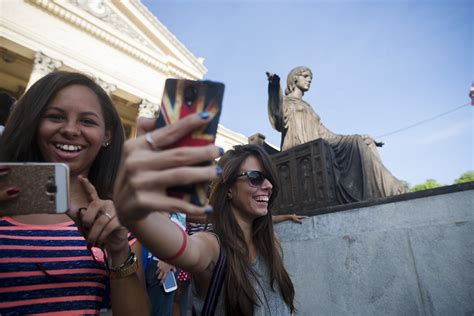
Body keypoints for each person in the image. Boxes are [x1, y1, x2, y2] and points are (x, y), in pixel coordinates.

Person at [114, 115, 296, 315]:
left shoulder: (272, 243)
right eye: (255, 178)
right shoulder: (212, 247)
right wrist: (136, 195)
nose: (268, 186)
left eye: (268, 178)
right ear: (228, 189)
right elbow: (187, 248)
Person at [0, 71, 148, 315]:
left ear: (107, 135)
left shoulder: (116, 220)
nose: (70, 130)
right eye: (55, 117)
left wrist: (119, 250)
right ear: (35, 122)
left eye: (87, 121)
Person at [267, 66, 407, 201]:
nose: (309, 80)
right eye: (305, 76)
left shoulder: (308, 107)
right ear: (294, 79)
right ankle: (388, 190)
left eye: (310, 78)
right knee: (356, 143)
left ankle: (388, 189)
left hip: (319, 146)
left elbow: (327, 135)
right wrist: (274, 88)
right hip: (300, 151)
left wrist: (359, 137)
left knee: (363, 142)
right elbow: (277, 114)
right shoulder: (286, 102)